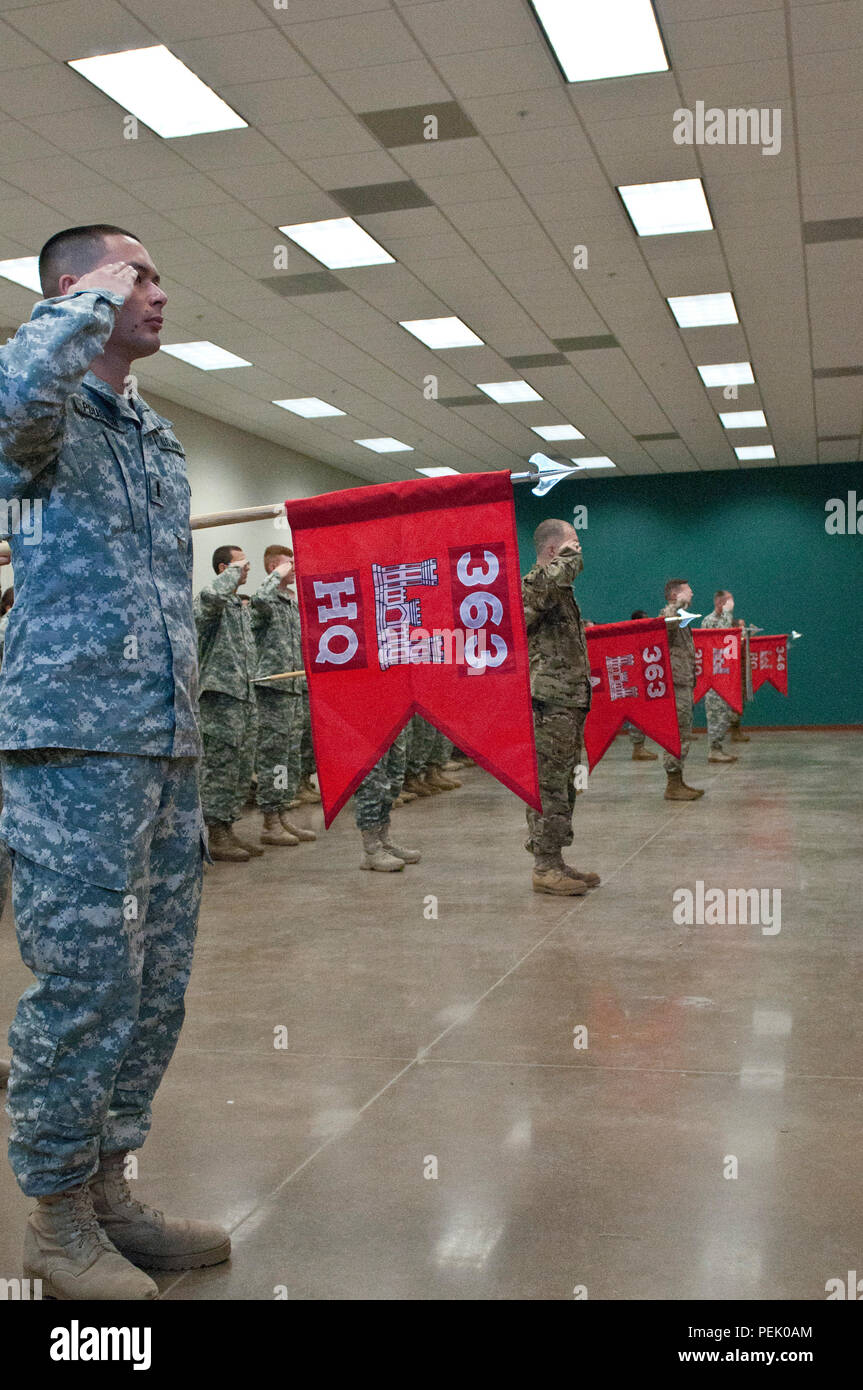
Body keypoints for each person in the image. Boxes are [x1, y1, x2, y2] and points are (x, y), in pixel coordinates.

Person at [0, 224, 229, 1300]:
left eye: (154, 272)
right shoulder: (43, 418)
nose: (158, 292)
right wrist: (79, 306)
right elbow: (8, 407)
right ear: (78, 287)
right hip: (72, 747)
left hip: (164, 746)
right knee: (85, 984)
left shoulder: (158, 435)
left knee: (152, 990)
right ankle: (52, 1219)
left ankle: (108, 1191)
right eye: (138, 274)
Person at [522, 519, 601, 896]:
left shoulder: (559, 588)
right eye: (573, 544)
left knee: (568, 785)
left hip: (568, 700)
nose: (580, 551)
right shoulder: (535, 583)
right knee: (548, 785)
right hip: (547, 701)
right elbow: (542, 592)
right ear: (553, 551)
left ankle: (555, 858)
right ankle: (544, 865)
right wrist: (567, 562)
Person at [195, 546, 262, 862]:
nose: (247, 568)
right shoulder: (213, 602)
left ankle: (228, 827)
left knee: (240, 768)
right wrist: (233, 574)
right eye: (240, 563)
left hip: (244, 697)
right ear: (223, 568)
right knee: (220, 768)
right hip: (220, 700)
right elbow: (211, 598)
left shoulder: (238, 606)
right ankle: (214, 832)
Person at [251, 544, 316, 848]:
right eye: (289, 564)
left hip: (293, 690)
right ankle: (269, 821)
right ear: (274, 567)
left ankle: (283, 812)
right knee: (273, 757)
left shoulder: (290, 604)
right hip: (272, 691)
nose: (295, 567)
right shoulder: (265, 600)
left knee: (288, 758)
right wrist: (276, 574)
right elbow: (260, 598)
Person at [659, 579, 704, 801]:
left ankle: (678, 781)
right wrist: (676, 605)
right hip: (675, 685)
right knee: (677, 733)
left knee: (683, 732)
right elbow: (665, 623)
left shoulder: (682, 618)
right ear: (675, 595)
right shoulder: (669, 615)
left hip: (684, 682)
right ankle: (673, 784)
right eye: (689, 590)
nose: (693, 593)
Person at [353, 730, 420, 871]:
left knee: (394, 774)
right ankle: (371, 850)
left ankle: (383, 841)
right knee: (371, 778)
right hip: (365, 717)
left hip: (391, 712)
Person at [701, 590, 740, 764]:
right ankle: (714, 750)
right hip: (713, 677)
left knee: (724, 714)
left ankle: (718, 748)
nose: (732, 605)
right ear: (720, 603)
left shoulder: (724, 620)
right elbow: (723, 636)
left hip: (724, 675)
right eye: (729, 602)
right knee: (716, 714)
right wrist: (727, 613)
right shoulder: (709, 621)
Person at [627, 609, 657, 761]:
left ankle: (640, 746)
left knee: (643, 715)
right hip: (634, 683)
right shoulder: (631, 638)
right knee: (637, 715)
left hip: (644, 680)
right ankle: (637, 748)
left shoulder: (644, 637)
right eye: (644, 619)